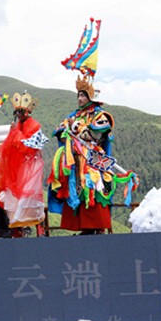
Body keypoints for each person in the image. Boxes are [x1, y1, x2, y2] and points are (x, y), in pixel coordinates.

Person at [47, 77, 116, 234]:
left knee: (93, 188)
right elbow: (60, 132)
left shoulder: (100, 115)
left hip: (93, 159)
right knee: (75, 188)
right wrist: (68, 133)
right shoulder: (74, 115)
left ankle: (97, 226)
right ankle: (84, 227)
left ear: (91, 96)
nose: (79, 98)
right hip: (74, 159)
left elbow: (96, 135)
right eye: (78, 95)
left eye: (83, 95)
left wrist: (76, 128)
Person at [0, 92, 48, 237]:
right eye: (16, 112)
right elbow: (10, 146)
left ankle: (38, 225)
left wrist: (16, 132)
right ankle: (17, 227)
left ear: (27, 111)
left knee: (29, 195)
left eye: (21, 111)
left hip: (31, 165)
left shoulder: (34, 126)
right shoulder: (18, 125)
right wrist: (14, 131)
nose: (18, 114)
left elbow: (27, 147)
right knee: (14, 196)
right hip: (18, 165)